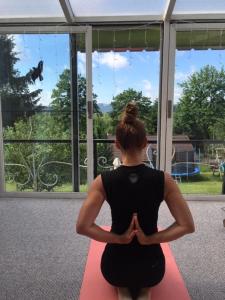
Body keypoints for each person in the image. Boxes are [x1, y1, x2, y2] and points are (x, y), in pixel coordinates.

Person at [76, 102, 195, 300]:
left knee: (122, 282)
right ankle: (144, 290)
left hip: (115, 268)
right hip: (152, 268)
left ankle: (122, 290)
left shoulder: (102, 181)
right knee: (145, 283)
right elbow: (187, 225)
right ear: (145, 143)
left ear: (116, 144)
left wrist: (119, 239)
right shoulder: (164, 180)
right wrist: (150, 239)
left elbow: (82, 226)